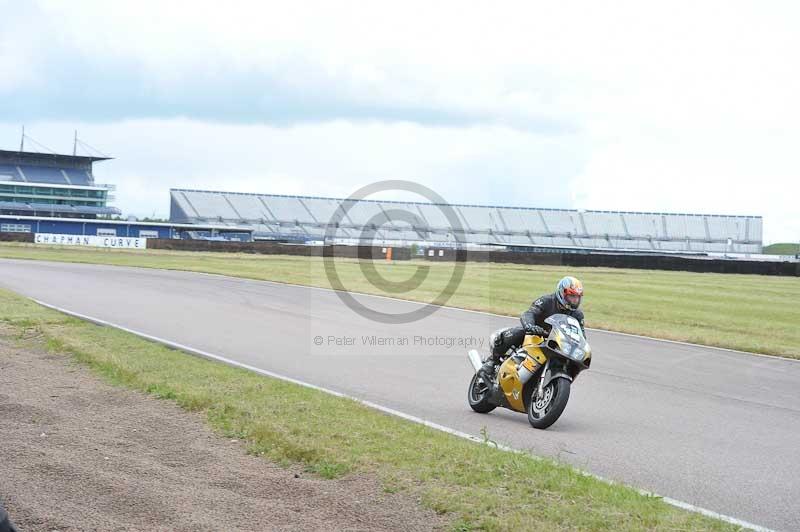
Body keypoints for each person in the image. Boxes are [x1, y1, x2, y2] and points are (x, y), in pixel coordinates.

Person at [478, 276, 585, 378]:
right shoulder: (547, 301)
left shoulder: (578, 315)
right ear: (562, 293)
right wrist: (530, 325)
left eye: (577, 297)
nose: (575, 300)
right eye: (572, 296)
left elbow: (581, 336)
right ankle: (492, 361)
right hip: (535, 336)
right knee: (519, 332)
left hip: (557, 344)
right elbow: (529, 313)